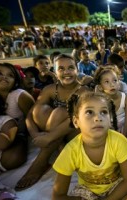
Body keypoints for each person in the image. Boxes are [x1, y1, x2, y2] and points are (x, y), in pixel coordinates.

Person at [52, 92, 127, 199]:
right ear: (76, 121)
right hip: (87, 192)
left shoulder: (119, 141)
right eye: (89, 112)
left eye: (104, 112)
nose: (98, 118)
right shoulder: (70, 151)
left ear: (110, 119)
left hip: (118, 186)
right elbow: (58, 195)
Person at [15, 54, 89, 191]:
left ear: (77, 70)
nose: (66, 72)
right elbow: (30, 115)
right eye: (61, 68)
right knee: (40, 109)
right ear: (54, 72)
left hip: (73, 131)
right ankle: (58, 145)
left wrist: (49, 137)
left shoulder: (83, 91)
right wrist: (35, 134)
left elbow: (76, 121)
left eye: (71, 68)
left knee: (61, 112)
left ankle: (42, 160)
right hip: (54, 129)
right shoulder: (50, 89)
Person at [94, 67, 127, 145]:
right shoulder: (100, 102)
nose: (112, 84)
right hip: (108, 128)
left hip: (124, 126)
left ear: (119, 83)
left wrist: (123, 137)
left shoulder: (125, 99)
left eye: (115, 80)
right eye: (106, 82)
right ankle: (120, 147)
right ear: (100, 87)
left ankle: (122, 146)